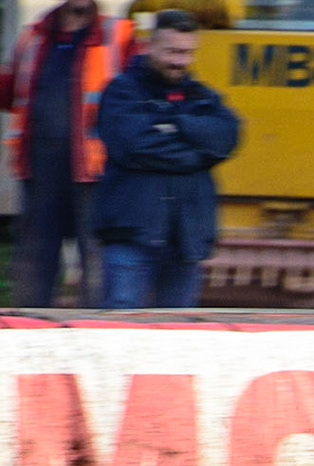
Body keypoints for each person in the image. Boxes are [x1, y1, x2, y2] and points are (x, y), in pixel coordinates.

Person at [91, 8, 239, 308]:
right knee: (118, 333)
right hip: (130, 237)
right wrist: (195, 155)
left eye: (187, 53)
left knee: (178, 338)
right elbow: (132, 147)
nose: (179, 61)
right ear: (150, 46)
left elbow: (227, 137)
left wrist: (173, 124)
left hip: (184, 240)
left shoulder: (203, 97)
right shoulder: (121, 93)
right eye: (171, 51)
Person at [0, 0, 135, 306]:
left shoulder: (118, 35)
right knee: (34, 261)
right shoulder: (34, 35)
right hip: (38, 168)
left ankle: (96, 334)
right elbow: (10, 92)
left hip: (95, 171)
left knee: (96, 260)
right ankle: (27, 335)